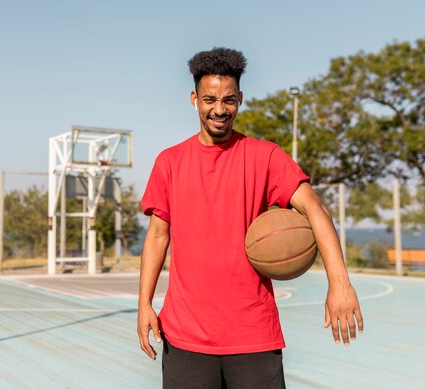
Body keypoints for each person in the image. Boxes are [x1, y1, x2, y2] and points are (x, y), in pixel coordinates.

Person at [137, 47, 364, 388]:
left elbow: (316, 209)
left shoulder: (265, 156)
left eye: (228, 100)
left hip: (253, 332)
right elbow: (157, 236)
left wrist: (340, 283)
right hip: (185, 334)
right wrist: (144, 304)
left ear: (240, 99)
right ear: (194, 99)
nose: (219, 109)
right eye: (210, 99)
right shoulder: (170, 162)